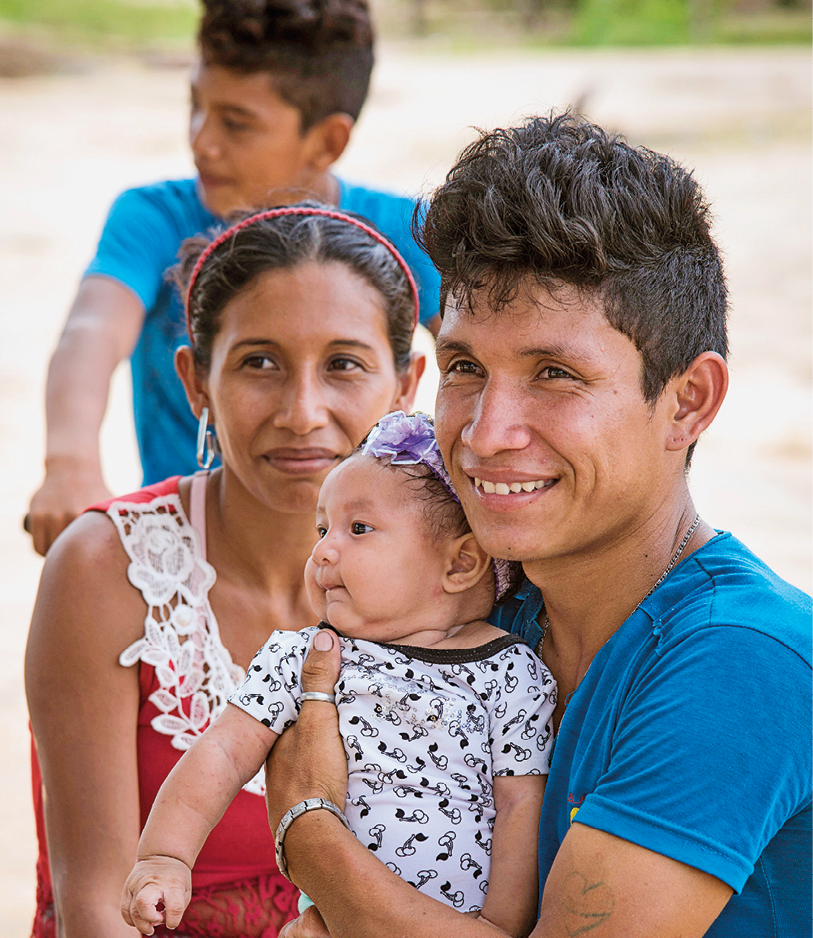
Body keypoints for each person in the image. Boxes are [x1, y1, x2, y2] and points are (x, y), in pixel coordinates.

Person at [259, 114, 813, 938]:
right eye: (463, 368)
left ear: (686, 401)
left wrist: (310, 832)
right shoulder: (486, 613)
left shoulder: (740, 661)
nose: (484, 432)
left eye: (554, 374)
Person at [25, 204, 428, 938]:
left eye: (343, 364)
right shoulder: (108, 568)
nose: (302, 412)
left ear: (406, 384)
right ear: (195, 381)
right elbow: (95, 914)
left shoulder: (459, 571)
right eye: (259, 363)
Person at [26, 0, 442, 557]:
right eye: (196, 107)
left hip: (352, 550)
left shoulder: (401, 231)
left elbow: (481, 356)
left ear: (327, 142)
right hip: (187, 550)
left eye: (236, 123)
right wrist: (70, 462)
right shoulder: (155, 217)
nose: (202, 141)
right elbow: (91, 332)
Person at [120, 410, 555, 938]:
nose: (323, 550)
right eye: (322, 528)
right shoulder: (303, 656)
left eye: (359, 529)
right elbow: (223, 752)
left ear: (460, 565)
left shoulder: (512, 672)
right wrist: (164, 857)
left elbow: (520, 802)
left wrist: (499, 927)